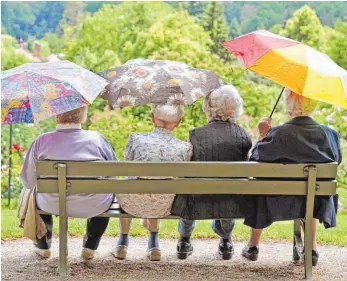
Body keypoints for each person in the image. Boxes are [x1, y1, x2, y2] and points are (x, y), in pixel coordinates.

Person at [242, 89, 342, 266]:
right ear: (313, 105)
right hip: (314, 200)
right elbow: (337, 161)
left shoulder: (277, 134)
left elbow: (255, 163)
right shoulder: (330, 134)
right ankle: (311, 248)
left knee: (261, 187)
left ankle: (253, 246)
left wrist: (263, 136)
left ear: (288, 107)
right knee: (312, 189)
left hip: (275, 199)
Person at [20, 106, 117, 260]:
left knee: (30, 192)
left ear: (56, 116)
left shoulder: (41, 141)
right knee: (104, 190)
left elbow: (28, 181)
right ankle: (90, 246)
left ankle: (43, 245)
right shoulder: (97, 139)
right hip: (93, 204)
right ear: (83, 116)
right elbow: (114, 173)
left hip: (52, 203)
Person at [174, 85, 252, 260]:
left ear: (209, 108)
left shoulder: (195, 135)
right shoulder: (243, 136)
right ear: (235, 108)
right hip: (231, 201)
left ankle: (184, 240)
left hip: (198, 199)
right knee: (230, 190)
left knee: (188, 188)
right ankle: (226, 240)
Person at [112, 102, 192, 261]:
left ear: (152, 118)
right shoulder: (185, 148)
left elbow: (127, 168)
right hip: (166, 206)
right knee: (158, 191)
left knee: (130, 185)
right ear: (178, 123)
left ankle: (122, 243)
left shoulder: (136, 139)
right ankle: (154, 243)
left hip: (132, 203)